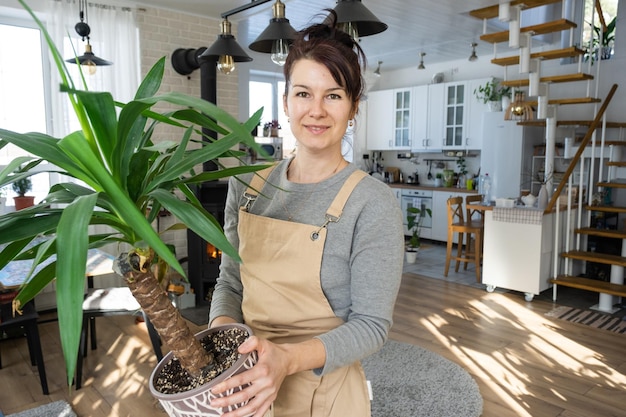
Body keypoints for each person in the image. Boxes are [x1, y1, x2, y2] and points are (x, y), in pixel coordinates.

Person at [208, 10, 404, 417]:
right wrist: (222, 341)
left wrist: (285, 361)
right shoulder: (244, 186)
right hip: (244, 384)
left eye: (333, 95)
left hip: (324, 393)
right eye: (303, 93)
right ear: (285, 102)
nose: (316, 110)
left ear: (353, 108)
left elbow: (371, 325)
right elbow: (230, 280)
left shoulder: (372, 203)